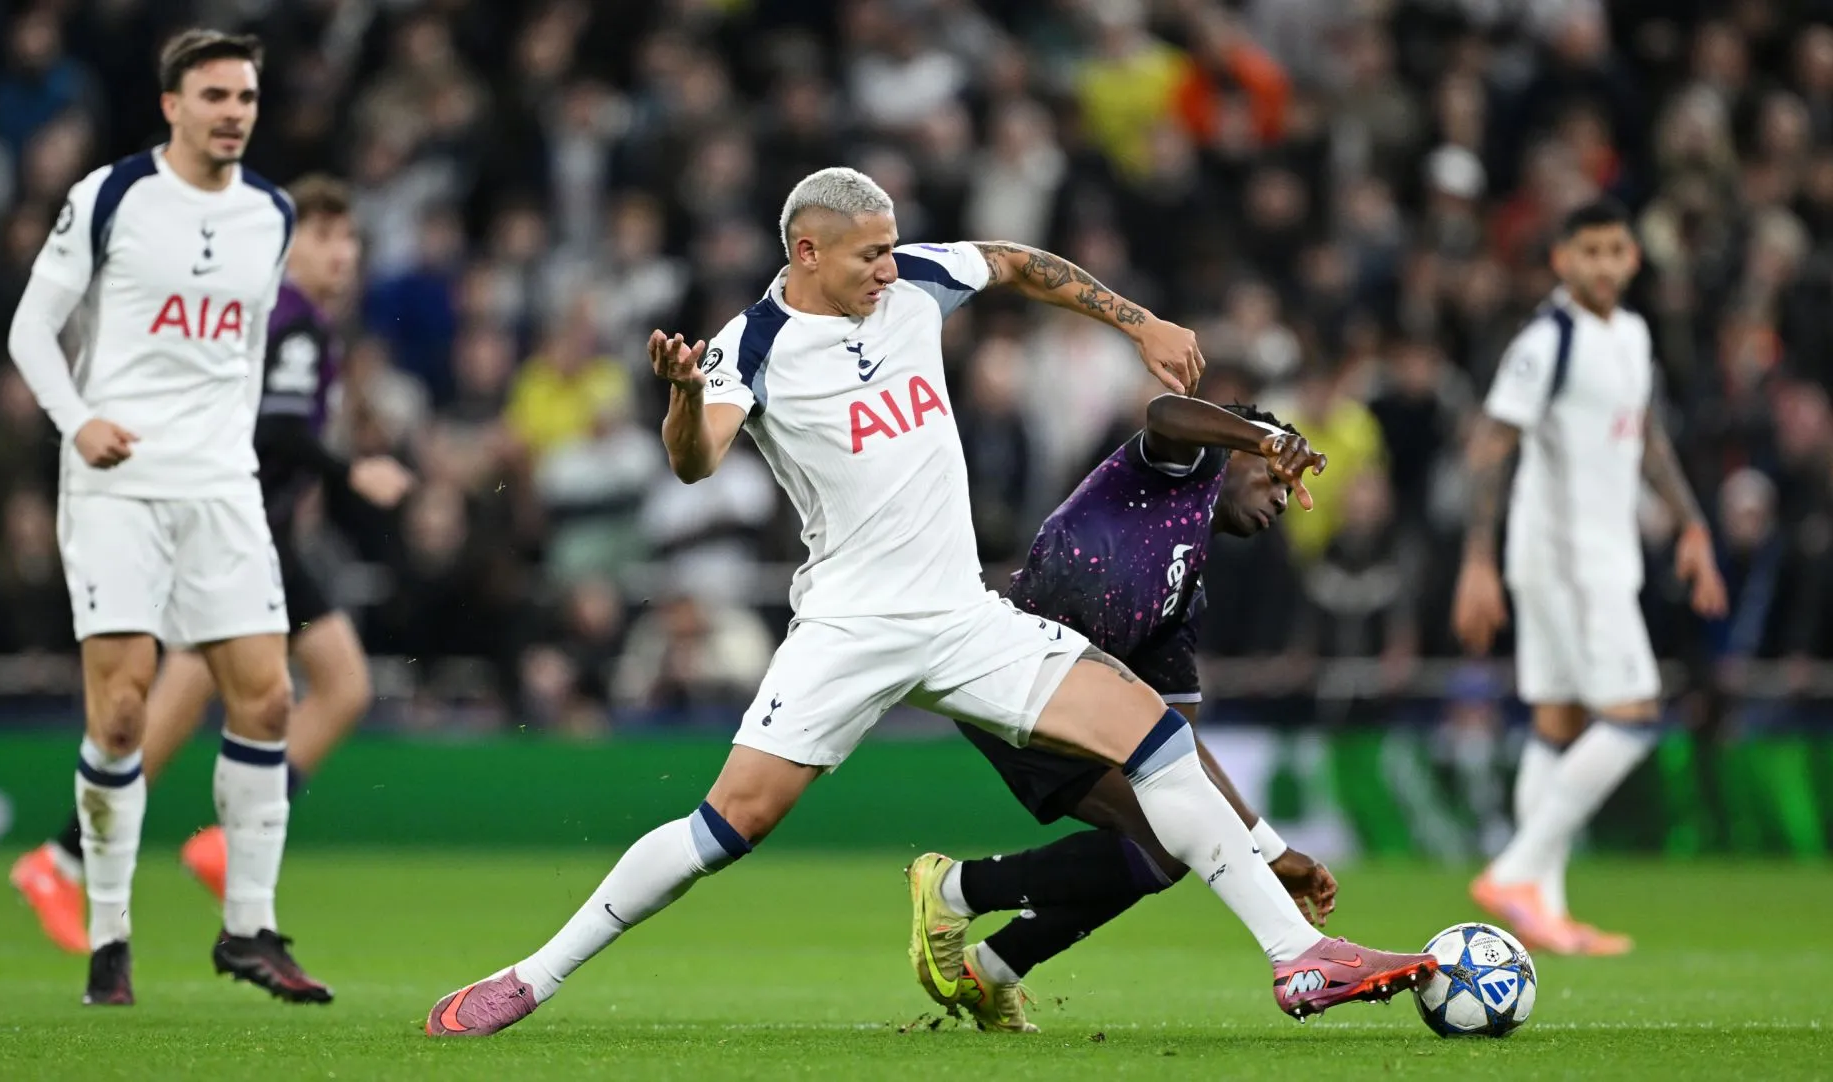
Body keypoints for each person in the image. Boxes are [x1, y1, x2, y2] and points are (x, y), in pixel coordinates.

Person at [423, 167, 1433, 1038]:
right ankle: (530, 975)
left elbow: (1018, 261)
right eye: (868, 255)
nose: (889, 268)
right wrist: (684, 397)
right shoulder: (754, 344)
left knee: (1150, 732)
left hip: (964, 615)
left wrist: (1141, 322)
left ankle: (1298, 956)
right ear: (808, 250)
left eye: (894, 248)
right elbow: (696, 463)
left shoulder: (915, 287)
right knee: (730, 821)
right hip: (849, 627)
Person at [3, 29, 330, 1007]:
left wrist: (233, 458)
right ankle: (110, 933)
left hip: (219, 487)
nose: (235, 111)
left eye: (247, 97)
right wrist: (80, 420)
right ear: (172, 105)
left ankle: (249, 927)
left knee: (268, 699)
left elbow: (246, 352)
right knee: (123, 708)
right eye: (216, 94)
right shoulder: (111, 197)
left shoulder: (271, 213)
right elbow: (30, 326)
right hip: (117, 480)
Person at [9, 176, 410, 954]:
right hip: (244, 523)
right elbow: (282, 430)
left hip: (228, 517)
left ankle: (66, 857)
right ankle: (102, 854)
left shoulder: (270, 319)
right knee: (337, 683)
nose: (344, 254)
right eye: (326, 237)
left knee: (190, 688)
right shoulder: (291, 323)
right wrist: (350, 470)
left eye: (350, 238)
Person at [907, 396, 1342, 1031]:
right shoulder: (1178, 469)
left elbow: (1180, 753)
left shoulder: (1183, 596)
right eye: (1276, 476)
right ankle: (953, 893)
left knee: (1167, 837)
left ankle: (993, 965)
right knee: (1166, 840)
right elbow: (1165, 412)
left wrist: (1268, 848)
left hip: (1056, 698)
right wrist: (1261, 436)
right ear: (1239, 453)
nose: (1282, 497)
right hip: (1004, 671)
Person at [1451, 198, 1728, 955]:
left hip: (1599, 554)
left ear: (1633, 257)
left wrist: (1692, 523)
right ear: (1562, 261)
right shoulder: (1546, 340)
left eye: (1615, 250)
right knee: (1636, 716)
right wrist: (1476, 559)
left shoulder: (1632, 336)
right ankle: (1517, 869)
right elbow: (1490, 444)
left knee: (1559, 725)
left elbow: (1646, 437)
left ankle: (1544, 907)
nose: (1603, 264)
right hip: (1568, 557)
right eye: (1589, 252)